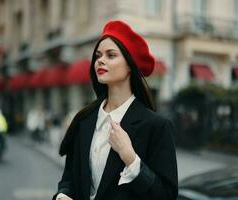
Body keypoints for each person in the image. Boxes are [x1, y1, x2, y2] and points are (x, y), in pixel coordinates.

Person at [53, 20, 178, 200]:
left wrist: (131, 159)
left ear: (129, 66)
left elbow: (166, 196)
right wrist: (63, 195)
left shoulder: (156, 126)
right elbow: (69, 178)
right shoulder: (84, 120)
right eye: (98, 56)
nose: (100, 60)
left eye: (111, 55)